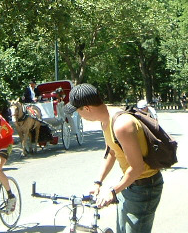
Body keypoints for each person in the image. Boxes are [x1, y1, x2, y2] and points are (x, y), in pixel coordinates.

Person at [65, 83, 163, 233]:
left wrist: (112, 191)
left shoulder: (121, 124)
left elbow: (138, 168)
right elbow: (112, 152)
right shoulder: (106, 121)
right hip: (130, 184)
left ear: (87, 108)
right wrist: (98, 182)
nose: (79, 116)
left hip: (144, 187)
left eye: (78, 111)